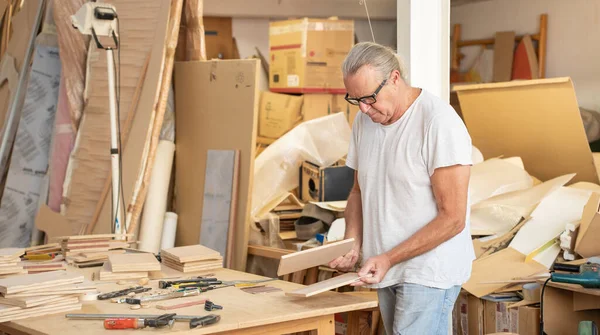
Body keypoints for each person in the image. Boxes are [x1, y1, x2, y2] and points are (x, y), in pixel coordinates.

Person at [328, 42, 475, 335]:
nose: (364, 108)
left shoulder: (438, 123)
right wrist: (353, 242)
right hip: (386, 266)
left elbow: (453, 218)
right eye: (354, 99)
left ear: (395, 78)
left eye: (369, 97)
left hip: (428, 271)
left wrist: (388, 258)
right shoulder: (364, 121)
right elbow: (358, 191)